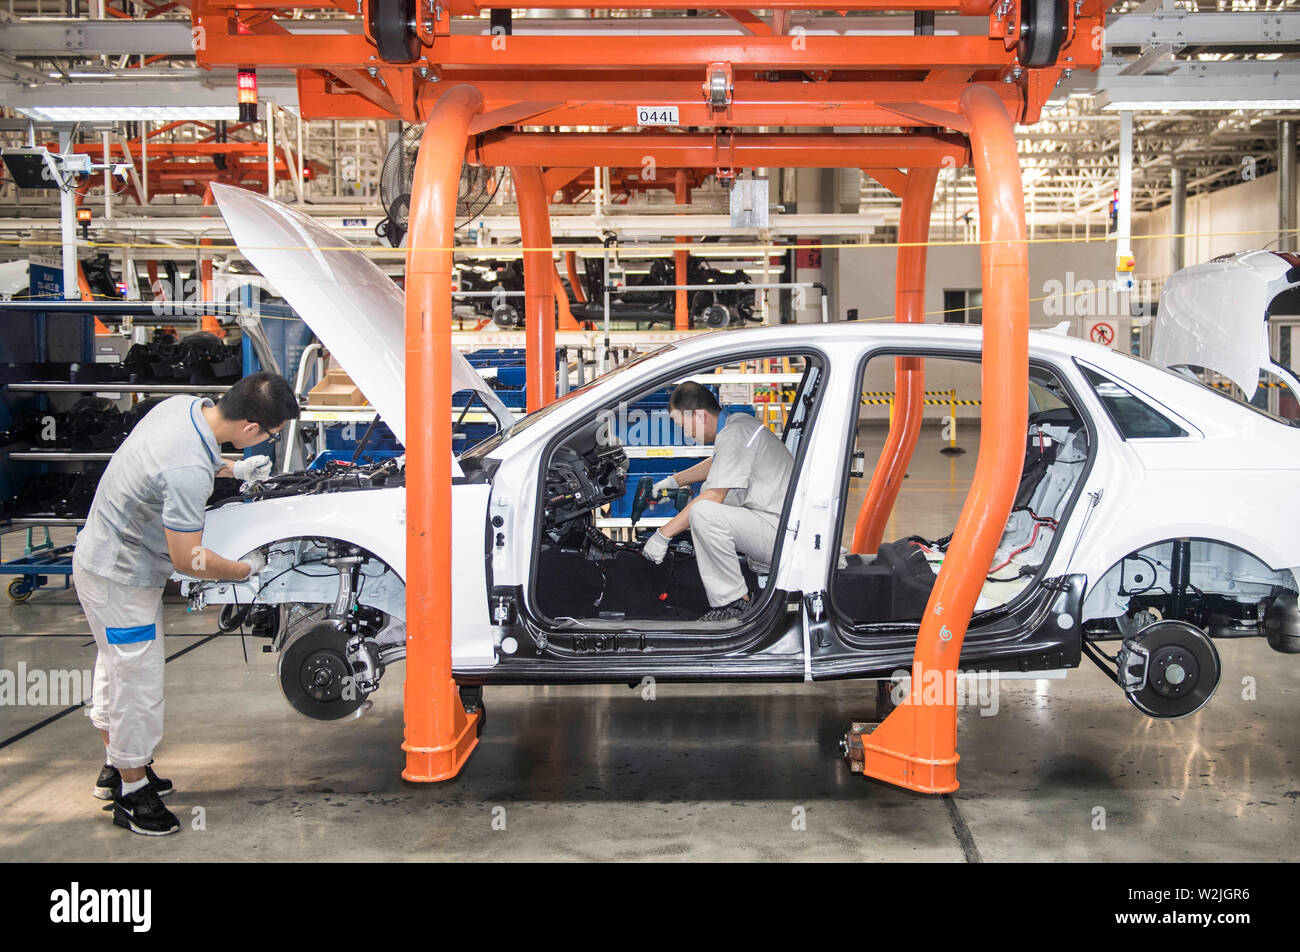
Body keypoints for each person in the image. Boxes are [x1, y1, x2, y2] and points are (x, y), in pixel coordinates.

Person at [72, 371, 300, 835]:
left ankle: (116, 768)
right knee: (136, 680)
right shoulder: (187, 472)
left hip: (101, 562)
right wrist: (246, 568)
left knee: (116, 667)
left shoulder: (180, 406)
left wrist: (233, 470)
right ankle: (133, 794)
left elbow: (174, 462)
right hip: (120, 579)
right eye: (271, 435)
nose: (267, 443)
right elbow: (189, 559)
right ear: (253, 427)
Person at [641, 381, 794, 621]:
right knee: (704, 506)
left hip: (782, 533)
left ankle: (733, 603)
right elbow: (718, 462)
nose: (686, 434)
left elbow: (712, 497)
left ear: (699, 415)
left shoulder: (735, 433)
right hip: (779, 525)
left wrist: (663, 535)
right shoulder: (738, 425)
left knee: (703, 512)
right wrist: (673, 481)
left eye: (683, 425)